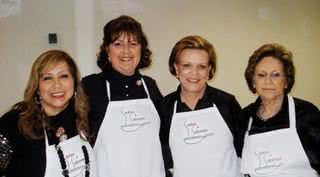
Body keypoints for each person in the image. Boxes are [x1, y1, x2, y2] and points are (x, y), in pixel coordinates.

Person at [82, 15, 165, 177]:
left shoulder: (150, 86)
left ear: (141, 48)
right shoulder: (91, 86)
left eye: (133, 44)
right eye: (118, 44)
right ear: (107, 49)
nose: (126, 51)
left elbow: (164, 138)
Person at [0, 50, 97, 177]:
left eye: (63, 76)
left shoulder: (86, 118)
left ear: (74, 82)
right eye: (47, 78)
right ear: (37, 86)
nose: (57, 85)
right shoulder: (15, 123)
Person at [160, 35, 242, 177]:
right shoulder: (165, 107)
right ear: (176, 68)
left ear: (209, 70)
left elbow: (244, 150)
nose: (194, 73)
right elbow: (163, 159)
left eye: (201, 67)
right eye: (187, 66)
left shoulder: (227, 103)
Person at [240, 43, 320, 177]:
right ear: (253, 81)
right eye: (261, 75)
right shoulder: (244, 116)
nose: (268, 81)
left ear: (287, 81)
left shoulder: (307, 114)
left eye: (276, 75)